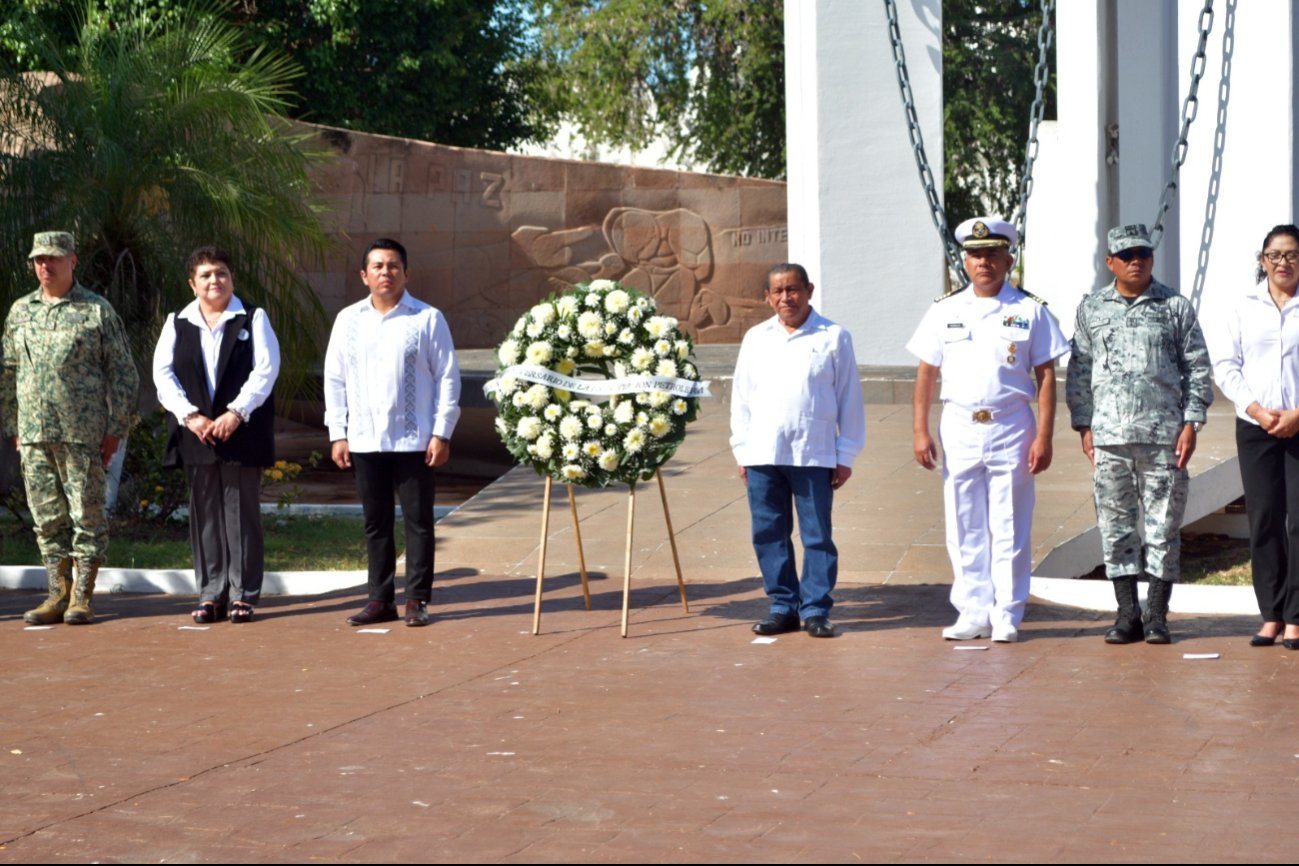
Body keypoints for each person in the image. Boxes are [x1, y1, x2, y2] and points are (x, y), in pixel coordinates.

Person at [907, 217, 1069, 643]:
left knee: (1010, 522)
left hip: (1012, 423)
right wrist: (919, 431)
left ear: (1008, 260)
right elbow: (926, 373)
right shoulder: (944, 310)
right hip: (959, 424)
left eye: (993, 255)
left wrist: (1045, 436)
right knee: (963, 522)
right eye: (977, 255)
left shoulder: (1030, 309)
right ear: (965, 260)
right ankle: (972, 610)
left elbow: (1047, 375)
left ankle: (1007, 613)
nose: (984, 263)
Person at [1066, 224, 1214, 644]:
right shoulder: (1092, 308)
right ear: (1110, 261)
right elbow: (1079, 370)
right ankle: (1127, 614)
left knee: (1163, 526)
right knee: (1116, 526)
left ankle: (1157, 615)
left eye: (1143, 254)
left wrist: (1192, 422)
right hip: (1110, 437)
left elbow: (1197, 367)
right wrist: (1084, 424)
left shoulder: (1174, 307)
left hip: (1164, 437)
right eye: (1127, 255)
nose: (1136, 261)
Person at [1, 231, 139, 625]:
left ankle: (82, 596)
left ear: (72, 261)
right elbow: (8, 371)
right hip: (33, 433)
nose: (45, 266)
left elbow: (124, 373)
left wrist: (116, 428)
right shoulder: (20, 310)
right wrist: (14, 424)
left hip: (82, 433)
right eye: (39, 260)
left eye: (54, 259)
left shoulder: (96, 311)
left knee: (86, 513)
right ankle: (55, 594)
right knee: (45, 517)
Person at [324, 238, 461, 627]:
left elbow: (448, 378)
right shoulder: (348, 320)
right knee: (375, 522)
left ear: (407, 273)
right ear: (364, 275)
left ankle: (417, 599)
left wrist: (442, 432)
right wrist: (338, 432)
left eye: (394, 266)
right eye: (378, 266)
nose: (386, 272)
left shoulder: (427, 318)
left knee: (419, 520)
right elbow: (335, 379)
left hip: (415, 439)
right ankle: (380, 599)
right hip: (365, 439)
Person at [730, 263, 865, 639]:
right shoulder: (756, 338)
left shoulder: (834, 336)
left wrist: (846, 453)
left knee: (817, 534)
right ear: (767, 297)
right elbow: (741, 398)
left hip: (814, 452)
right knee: (769, 532)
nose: (785, 298)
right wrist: (742, 450)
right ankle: (782, 605)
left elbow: (849, 398)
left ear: (809, 290)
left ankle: (816, 608)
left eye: (793, 290)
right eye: (778, 291)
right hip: (762, 452)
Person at [152, 246, 280, 624]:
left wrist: (236, 413)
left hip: (241, 431)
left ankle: (243, 595)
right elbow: (163, 374)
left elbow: (266, 370)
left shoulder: (253, 318)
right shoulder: (178, 322)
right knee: (205, 514)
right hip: (197, 433)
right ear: (192, 283)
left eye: (221, 273)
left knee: (241, 514)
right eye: (206, 275)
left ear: (232, 279)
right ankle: (211, 595)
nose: (214, 280)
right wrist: (190, 415)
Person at [1207, 224, 1299, 649]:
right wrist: (1259, 412)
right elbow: (1226, 365)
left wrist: (1297, 415)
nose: (1284, 262)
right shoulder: (1242, 306)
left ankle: (1297, 617)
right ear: (1262, 260)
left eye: (1292, 254)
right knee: (1263, 519)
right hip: (1256, 427)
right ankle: (1272, 615)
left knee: (1298, 521)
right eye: (1275, 255)